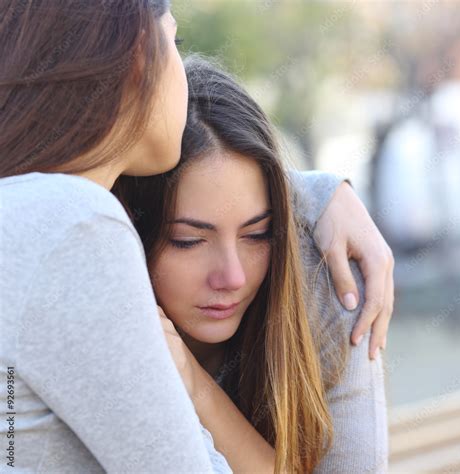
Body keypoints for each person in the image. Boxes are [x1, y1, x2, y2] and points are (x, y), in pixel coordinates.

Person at [113, 55, 389, 473]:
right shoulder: (93, 308)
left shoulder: (326, 283)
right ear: (131, 224)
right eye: (189, 241)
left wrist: (193, 382)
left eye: (257, 234)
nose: (233, 277)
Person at [0, 2, 231, 471]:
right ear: (142, 54)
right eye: (176, 42)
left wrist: (322, 194)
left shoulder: (23, 211)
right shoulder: (75, 224)